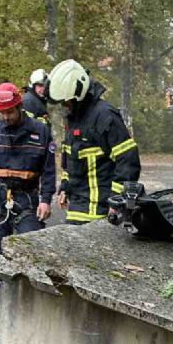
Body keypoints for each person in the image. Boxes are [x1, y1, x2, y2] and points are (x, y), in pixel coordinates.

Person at [45, 59, 141, 224]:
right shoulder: (74, 118)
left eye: (66, 101)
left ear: (78, 94)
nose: (64, 105)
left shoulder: (105, 116)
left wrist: (117, 200)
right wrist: (65, 186)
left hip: (102, 211)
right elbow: (70, 158)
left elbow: (128, 161)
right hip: (77, 207)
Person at [0, 82, 56, 254]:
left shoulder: (41, 132)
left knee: (31, 250)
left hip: (28, 198)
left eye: (9, 112)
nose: (5, 117)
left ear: (20, 107)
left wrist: (46, 200)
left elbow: (48, 170)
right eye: (1, 112)